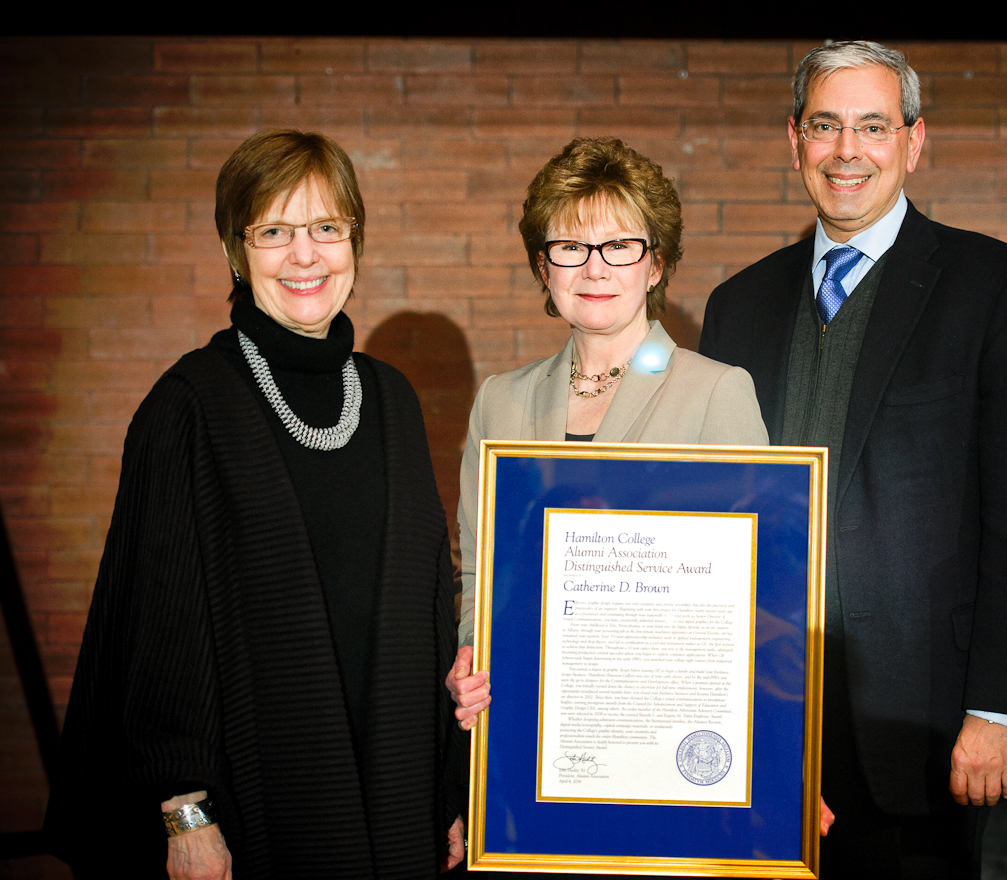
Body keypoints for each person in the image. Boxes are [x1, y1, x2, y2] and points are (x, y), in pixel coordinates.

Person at [699, 42, 1007, 878]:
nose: (848, 151)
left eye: (873, 126)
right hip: (762, 726)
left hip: (925, 724)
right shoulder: (737, 306)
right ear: (794, 139)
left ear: (913, 142)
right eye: (827, 126)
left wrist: (1000, 712)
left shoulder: (1000, 289)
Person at [45, 130, 465, 879]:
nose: (304, 255)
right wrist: (186, 815)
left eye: (326, 229)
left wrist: (452, 785)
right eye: (273, 231)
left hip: (395, 800)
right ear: (238, 252)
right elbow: (158, 630)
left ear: (354, 242)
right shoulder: (189, 405)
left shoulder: (392, 399)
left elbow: (430, 613)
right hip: (258, 812)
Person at [445, 136, 769, 737]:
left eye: (619, 246)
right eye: (571, 247)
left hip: (663, 720)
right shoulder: (500, 400)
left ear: (656, 264)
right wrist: (471, 651)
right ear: (545, 267)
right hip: (527, 713)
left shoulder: (717, 393)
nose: (595, 268)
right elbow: (478, 570)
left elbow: (757, 588)